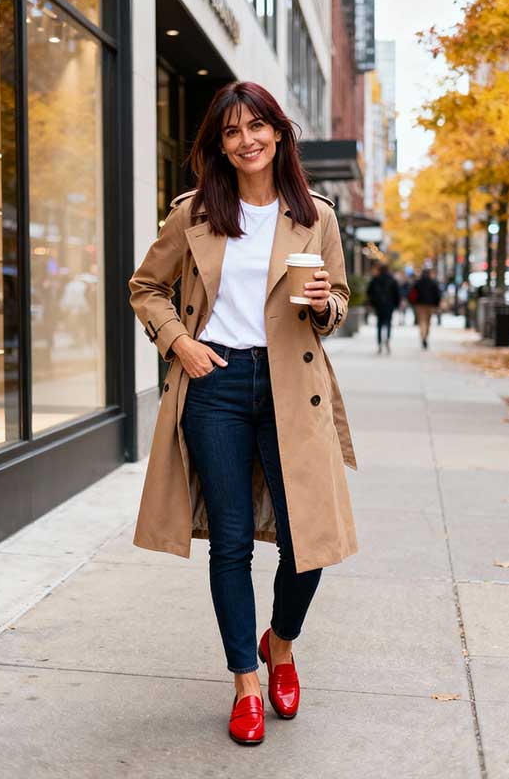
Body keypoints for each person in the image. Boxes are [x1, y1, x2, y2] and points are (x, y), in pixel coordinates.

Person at [128, 82, 358, 746]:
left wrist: (325, 304)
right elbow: (147, 287)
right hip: (216, 384)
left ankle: (280, 643)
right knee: (229, 542)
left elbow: (338, 301)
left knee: (308, 540)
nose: (246, 140)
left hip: (293, 388)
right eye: (231, 131)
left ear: (278, 133)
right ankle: (246, 683)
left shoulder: (315, 214)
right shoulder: (194, 212)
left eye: (257, 126)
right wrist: (180, 343)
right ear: (220, 145)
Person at [366, 263, 401, 354]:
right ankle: (387, 339)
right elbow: (397, 293)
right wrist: (396, 304)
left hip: (378, 305)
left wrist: (373, 302)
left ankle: (379, 343)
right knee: (388, 322)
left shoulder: (375, 279)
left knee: (379, 324)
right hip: (390, 305)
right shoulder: (392, 280)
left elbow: (369, 292)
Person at [409, 268, 441, 349]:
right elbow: (437, 295)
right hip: (430, 305)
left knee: (422, 321)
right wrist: (436, 304)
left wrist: (413, 303)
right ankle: (425, 336)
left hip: (419, 305)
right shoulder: (433, 283)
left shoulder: (418, 283)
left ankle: (423, 336)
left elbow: (412, 293)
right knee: (428, 321)